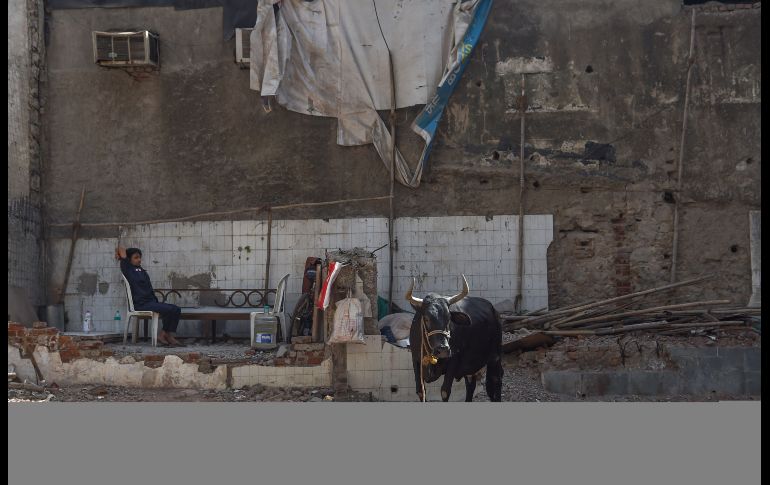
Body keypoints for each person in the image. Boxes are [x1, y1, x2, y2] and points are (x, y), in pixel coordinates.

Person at [115, 246, 184, 347]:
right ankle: (165, 335)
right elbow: (120, 248)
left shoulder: (140, 270)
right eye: (136, 257)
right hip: (141, 304)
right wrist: (119, 254)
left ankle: (165, 334)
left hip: (150, 302)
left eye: (140, 257)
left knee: (176, 309)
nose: (139, 259)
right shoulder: (127, 268)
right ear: (129, 259)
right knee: (170, 310)